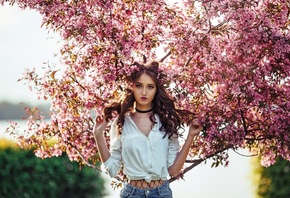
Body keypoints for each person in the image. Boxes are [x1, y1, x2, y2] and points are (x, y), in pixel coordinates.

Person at [93, 61, 203, 198]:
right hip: (132, 194)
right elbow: (112, 170)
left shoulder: (167, 122)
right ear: (132, 87)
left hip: (161, 193)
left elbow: (173, 171)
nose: (144, 92)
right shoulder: (122, 123)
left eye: (150, 87)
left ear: (156, 90)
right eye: (139, 86)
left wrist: (190, 137)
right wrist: (98, 135)